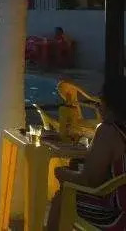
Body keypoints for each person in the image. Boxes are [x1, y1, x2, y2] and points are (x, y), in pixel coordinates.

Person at [46, 76, 126, 230]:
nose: (98, 107)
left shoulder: (109, 131)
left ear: (108, 104)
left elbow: (89, 181)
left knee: (62, 198)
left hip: (115, 216)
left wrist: (62, 173)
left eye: (99, 102)